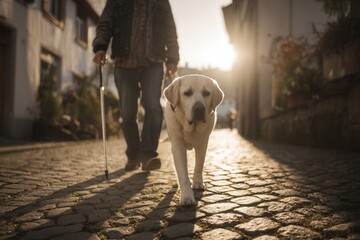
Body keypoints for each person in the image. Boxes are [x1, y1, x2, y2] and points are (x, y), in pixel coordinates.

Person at [93, 0, 179, 171]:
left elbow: (170, 30)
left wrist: (173, 59)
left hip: (153, 61)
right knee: (127, 112)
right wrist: (100, 46)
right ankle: (133, 154)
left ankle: (147, 154)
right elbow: (105, 23)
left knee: (153, 107)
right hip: (124, 63)